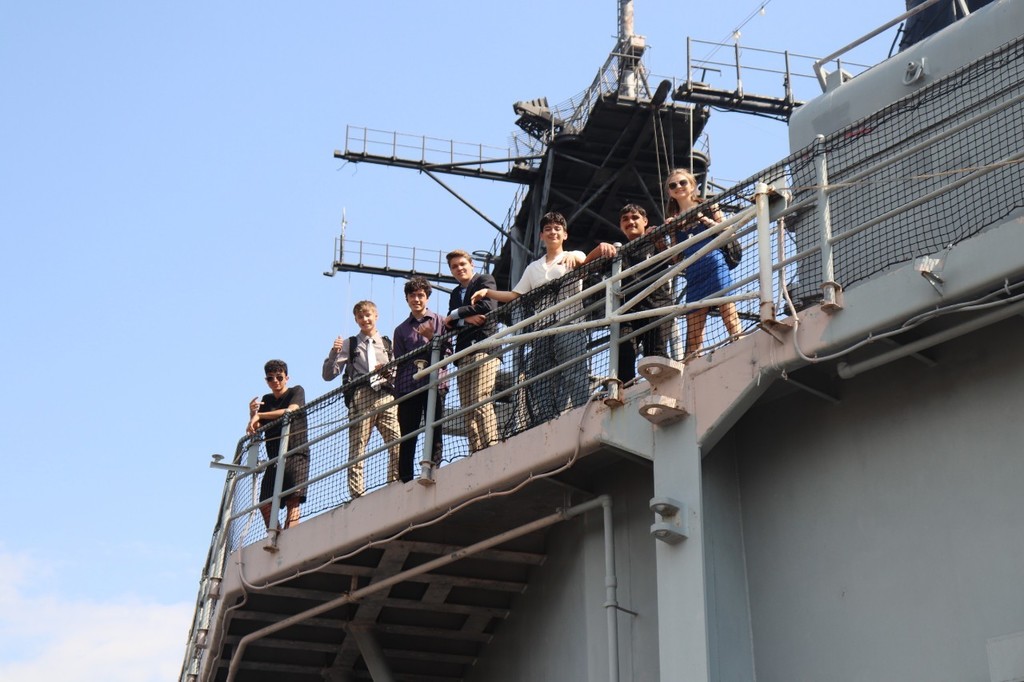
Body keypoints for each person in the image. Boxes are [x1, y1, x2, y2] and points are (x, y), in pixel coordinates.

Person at [471, 211, 612, 423]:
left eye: (557, 229)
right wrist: (488, 292)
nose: (552, 232)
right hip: (542, 330)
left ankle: (584, 414)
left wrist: (598, 249)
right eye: (548, 229)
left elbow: (586, 266)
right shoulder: (533, 268)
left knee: (574, 373)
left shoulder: (573, 256)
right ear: (541, 236)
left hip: (570, 325)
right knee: (540, 377)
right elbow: (515, 295)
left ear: (565, 235)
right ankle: (546, 420)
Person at [322, 300, 400, 498]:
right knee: (358, 446)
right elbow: (329, 374)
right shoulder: (351, 343)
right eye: (361, 317)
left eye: (368, 315)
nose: (365, 319)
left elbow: (397, 370)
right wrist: (334, 353)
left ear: (376, 316)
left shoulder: (386, 343)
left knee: (397, 440)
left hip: (385, 394)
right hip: (362, 395)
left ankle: (395, 480)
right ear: (356, 320)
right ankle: (357, 492)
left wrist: (387, 373)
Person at [665, 168, 743, 356]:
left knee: (730, 318)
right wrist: (670, 233)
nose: (678, 187)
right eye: (673, 185)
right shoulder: (673, 220)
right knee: (693, 335)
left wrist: (702, 218)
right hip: (693, 273)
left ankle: (742, 348)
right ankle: (691, 367)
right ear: (669, 192)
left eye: (683, 182)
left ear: (692, 186)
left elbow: (728, 232)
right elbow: (677, 257)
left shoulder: (708, 206)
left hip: (713, 264)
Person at [393, 276, 450, 482]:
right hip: (409, 386)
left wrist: (431, 337)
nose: (416, 299)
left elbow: (448, 351)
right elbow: (399, 360)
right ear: (407, 299)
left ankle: (434, 465)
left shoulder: (440, 321)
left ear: (427, 297)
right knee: (408, 432)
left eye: (420, 295)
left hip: (435, 382)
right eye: (412, 296)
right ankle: (405, 477)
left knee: (435, 426)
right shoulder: (401, 330)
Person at [611, 204, 675, 382]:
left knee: (655, 358)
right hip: (629, 313)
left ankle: (661, 390)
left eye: (635, 217)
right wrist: (600, 248)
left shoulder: (654, 241)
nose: (630, 222)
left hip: (657, 307)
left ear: (645, 221)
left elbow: (675, 258)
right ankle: (623, 392)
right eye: (625, 219)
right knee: (622, 357)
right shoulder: (619, 253)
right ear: (620, 226)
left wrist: (660, 240)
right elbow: (587, 267)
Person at [445, 249, 500, 453]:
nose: (459, 269)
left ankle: (491, 445)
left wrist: (456, 314)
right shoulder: (454, 293)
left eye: (462, 264)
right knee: (467, 407)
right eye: (454, 267)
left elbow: (487, 306)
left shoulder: (484, 280)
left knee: (480, 398)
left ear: (471, 265)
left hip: (484, 347)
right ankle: (475, 450)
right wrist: (465, 318)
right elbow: (449, 324)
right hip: (463, 353)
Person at [247, 359, 309, 530]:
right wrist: (252, 414)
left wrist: (260, 415)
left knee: (293, 500)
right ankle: (276, 533)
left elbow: (291, 410)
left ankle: (292, 535)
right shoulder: (266, 400)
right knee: (264, 503)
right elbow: (256, 429)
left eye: (279, 377)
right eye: (270, 378)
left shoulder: (296, 391)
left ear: (286, 378)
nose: (275, 381)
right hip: (274, 458)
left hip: (296, 452)